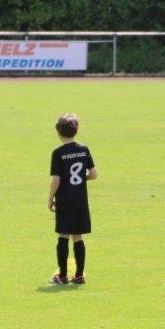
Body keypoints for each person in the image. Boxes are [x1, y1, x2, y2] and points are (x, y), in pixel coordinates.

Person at [48, 113, 97, 285]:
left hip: (64, 200)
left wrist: (50, 199)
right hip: (80, 200)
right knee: (78, 236)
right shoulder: (84, 150)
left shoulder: (58, 153)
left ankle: (62, 275)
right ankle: (79, 275)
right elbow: (93, 174)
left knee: (63, 235)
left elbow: (56, 180)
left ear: (58, 132)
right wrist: (81, 179)